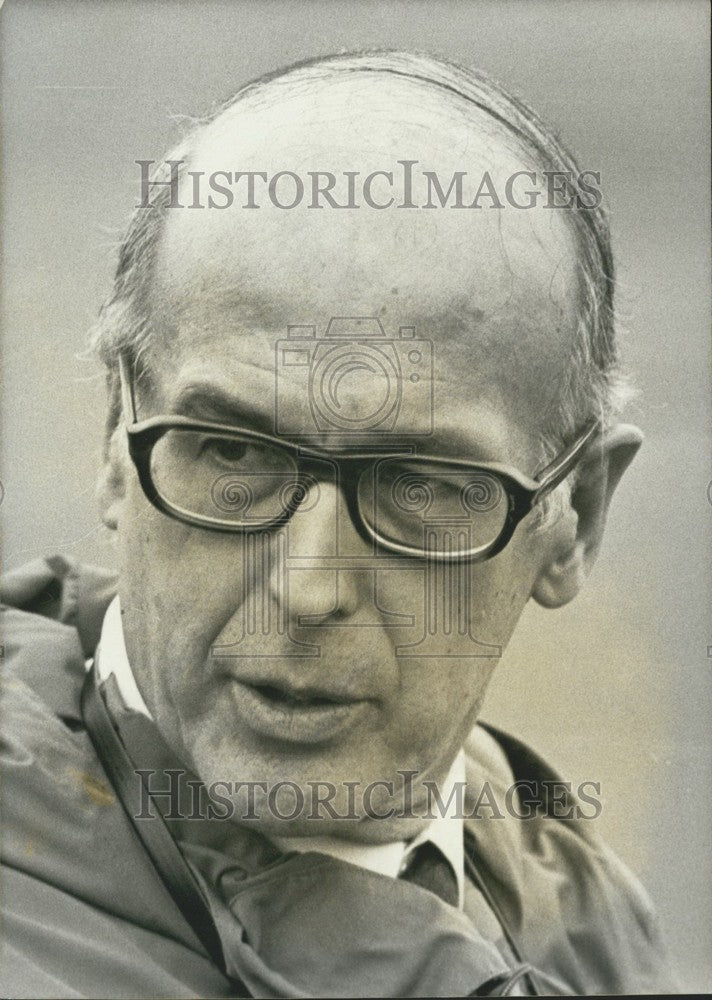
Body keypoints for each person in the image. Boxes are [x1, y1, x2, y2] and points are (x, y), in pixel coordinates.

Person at [1, 51, 679, 997]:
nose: (308, 588)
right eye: (232, 454)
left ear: (576, 517)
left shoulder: (581, 912)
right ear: (118, 439)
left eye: (421, 483)